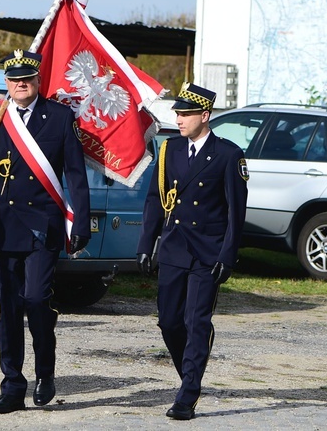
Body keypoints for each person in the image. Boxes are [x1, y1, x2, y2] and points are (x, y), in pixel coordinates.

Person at [0, 49, 91, 414]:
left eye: (26, 78)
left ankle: (45, 371)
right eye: (14, 80)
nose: (20, 84)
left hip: (41, 225)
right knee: (8, 307)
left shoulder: (59, 118)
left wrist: (83, 220)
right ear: (6, 83)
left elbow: (75, 172)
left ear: (38, 80)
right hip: (1, 225)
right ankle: (12, 385)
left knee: (36, 300)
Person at [136, 82, 248, 421]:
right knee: (169, 322)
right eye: (178, 114)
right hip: (174, 248)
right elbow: (156, 199)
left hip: (207, 252)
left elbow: (235, 212)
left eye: (185, 114)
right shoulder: (169, 149)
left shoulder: (228, 155)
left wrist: (227, 256)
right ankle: (190, 372)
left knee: (195, 321)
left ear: (205, 115)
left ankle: (188, 394)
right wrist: (146, 245)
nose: (180, 119)